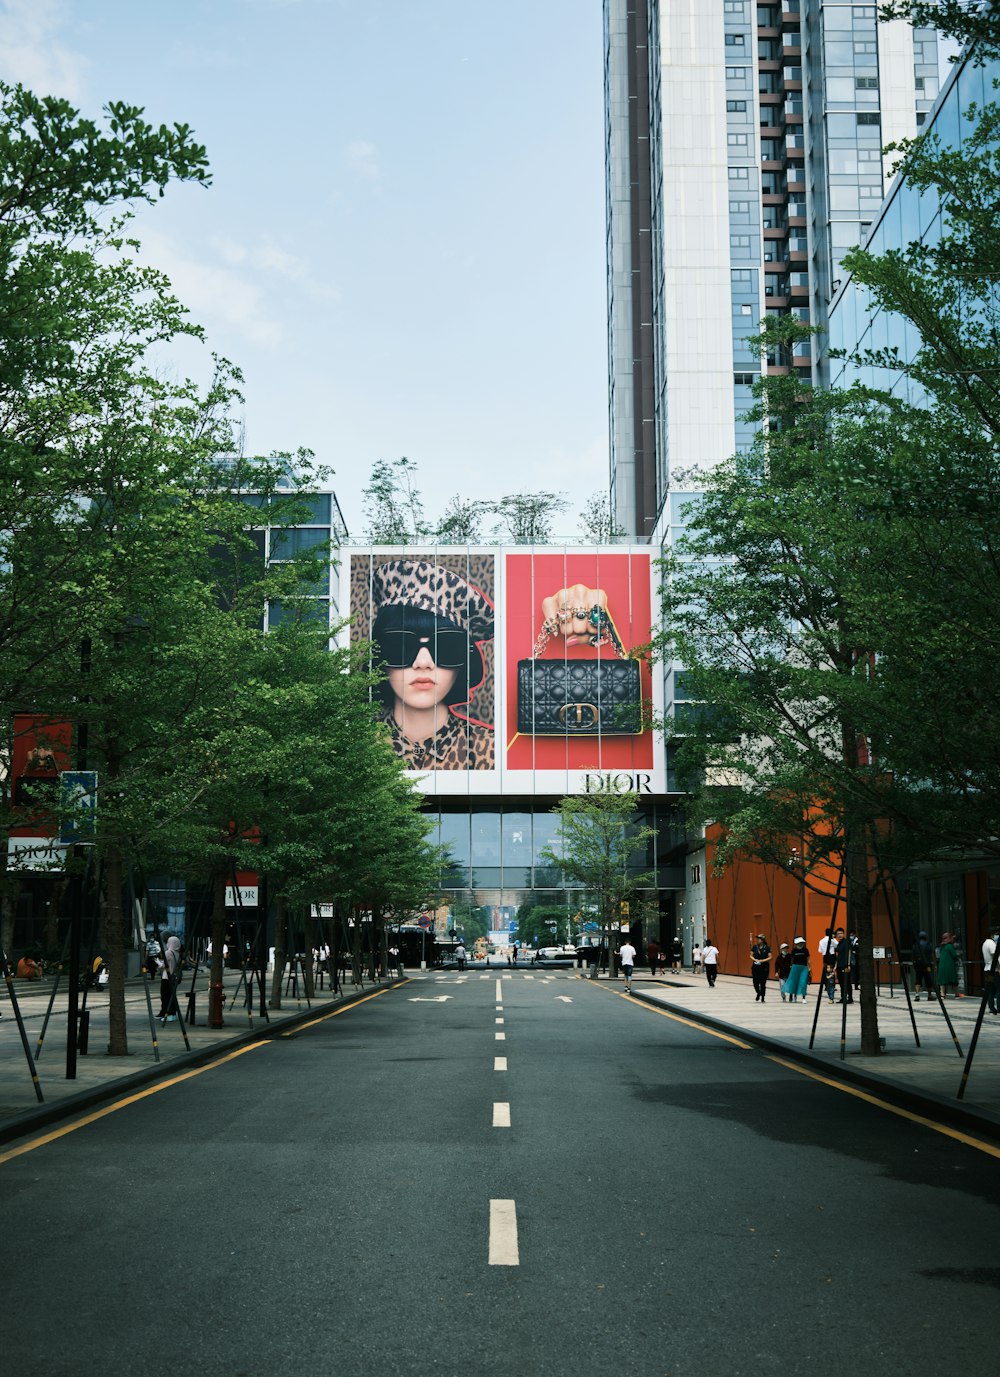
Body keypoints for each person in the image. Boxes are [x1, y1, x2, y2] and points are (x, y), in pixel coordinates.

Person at [368, 559, 495, 771]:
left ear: (464, 660)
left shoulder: (492, 751)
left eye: (445, 646)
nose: (423, 663)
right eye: (401, 646)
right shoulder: (355, 749)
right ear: (379, 656)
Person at [158, 935, 182, 1022]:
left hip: (166, 977)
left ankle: (166, 1014)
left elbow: (163, 965)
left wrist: (158, 963)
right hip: (173, 978)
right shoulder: (178, 953)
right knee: (172, 996)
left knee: (165, 997)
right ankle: (172, 1014)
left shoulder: (168, 953)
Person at [912, 931, 937, 1002]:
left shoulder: (916, 945)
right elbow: (933, 955)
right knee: (928, 980)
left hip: (918, 966)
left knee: (918, 980)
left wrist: (914, 964)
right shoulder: (928, 944)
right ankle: (929, 995)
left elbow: (913, 956)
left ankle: (917, 994)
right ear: (926, 937)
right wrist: (935, 964)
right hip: (927, 966)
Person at [785, 936, 810, 1003]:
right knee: (795, 982)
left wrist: (809, 967)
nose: (801, 944)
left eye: (802, 942)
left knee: (803, 983)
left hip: (804, 968)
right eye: (799, 943)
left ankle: (803, 997)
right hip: (795, 967)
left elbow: (808, 959)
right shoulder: (794, 950)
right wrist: (791, 966)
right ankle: (794, 997)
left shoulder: (805, 950)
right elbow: (792, 959)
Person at [833, 926, 854, 1003]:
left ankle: (850, 998)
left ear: (843, 934)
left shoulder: (846, 942)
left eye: (841, 933)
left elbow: (849, 953)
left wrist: (848, 965)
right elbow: (838, 956)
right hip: (839, 965)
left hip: (845, 965)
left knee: (847, 982)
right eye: (838, 934)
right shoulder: (839, 944)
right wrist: (835, 966)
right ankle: (843, 997)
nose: (840, 935)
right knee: (841, 982)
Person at [936, 932, 959, 998]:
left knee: (943, 980)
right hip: (949, 966)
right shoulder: (950, 946)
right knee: (953, 979)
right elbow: (954, 955)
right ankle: (956, 993)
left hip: (942, 966)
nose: (953, 940)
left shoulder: (942, 947)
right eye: (952, 938)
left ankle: (942, 994)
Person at [818, 928, 838, 1002]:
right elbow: (837, 945)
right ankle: (832, 985)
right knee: (832, 970)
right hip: (832, 956)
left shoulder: (821, 941)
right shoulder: (832, 940)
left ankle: (826, 985)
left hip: (825, 956)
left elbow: (819, 950)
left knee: (826, 970)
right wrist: (833, 938)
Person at [750, 933, 771, 1002]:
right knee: (755, 982)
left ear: (763, 940)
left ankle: (763, 997)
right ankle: (758, 993)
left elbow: (770, 956)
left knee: (762, 983)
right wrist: (755, 959)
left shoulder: (767, 948)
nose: (758, 940)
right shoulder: (755, 947)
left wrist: (762, 961)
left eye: (759, 939)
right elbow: (751, 955)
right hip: (756, 967)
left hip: (764, 967)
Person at [983, 929, 999, 1015]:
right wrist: (999, 968)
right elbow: (994, 956)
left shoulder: (985, 943)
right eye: (997, 934)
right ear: (992, 935)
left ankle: (991, 1007)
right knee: (998, 989)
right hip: (994, 970)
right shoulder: (991, 944)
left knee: (991, 989)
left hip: (987, 969)